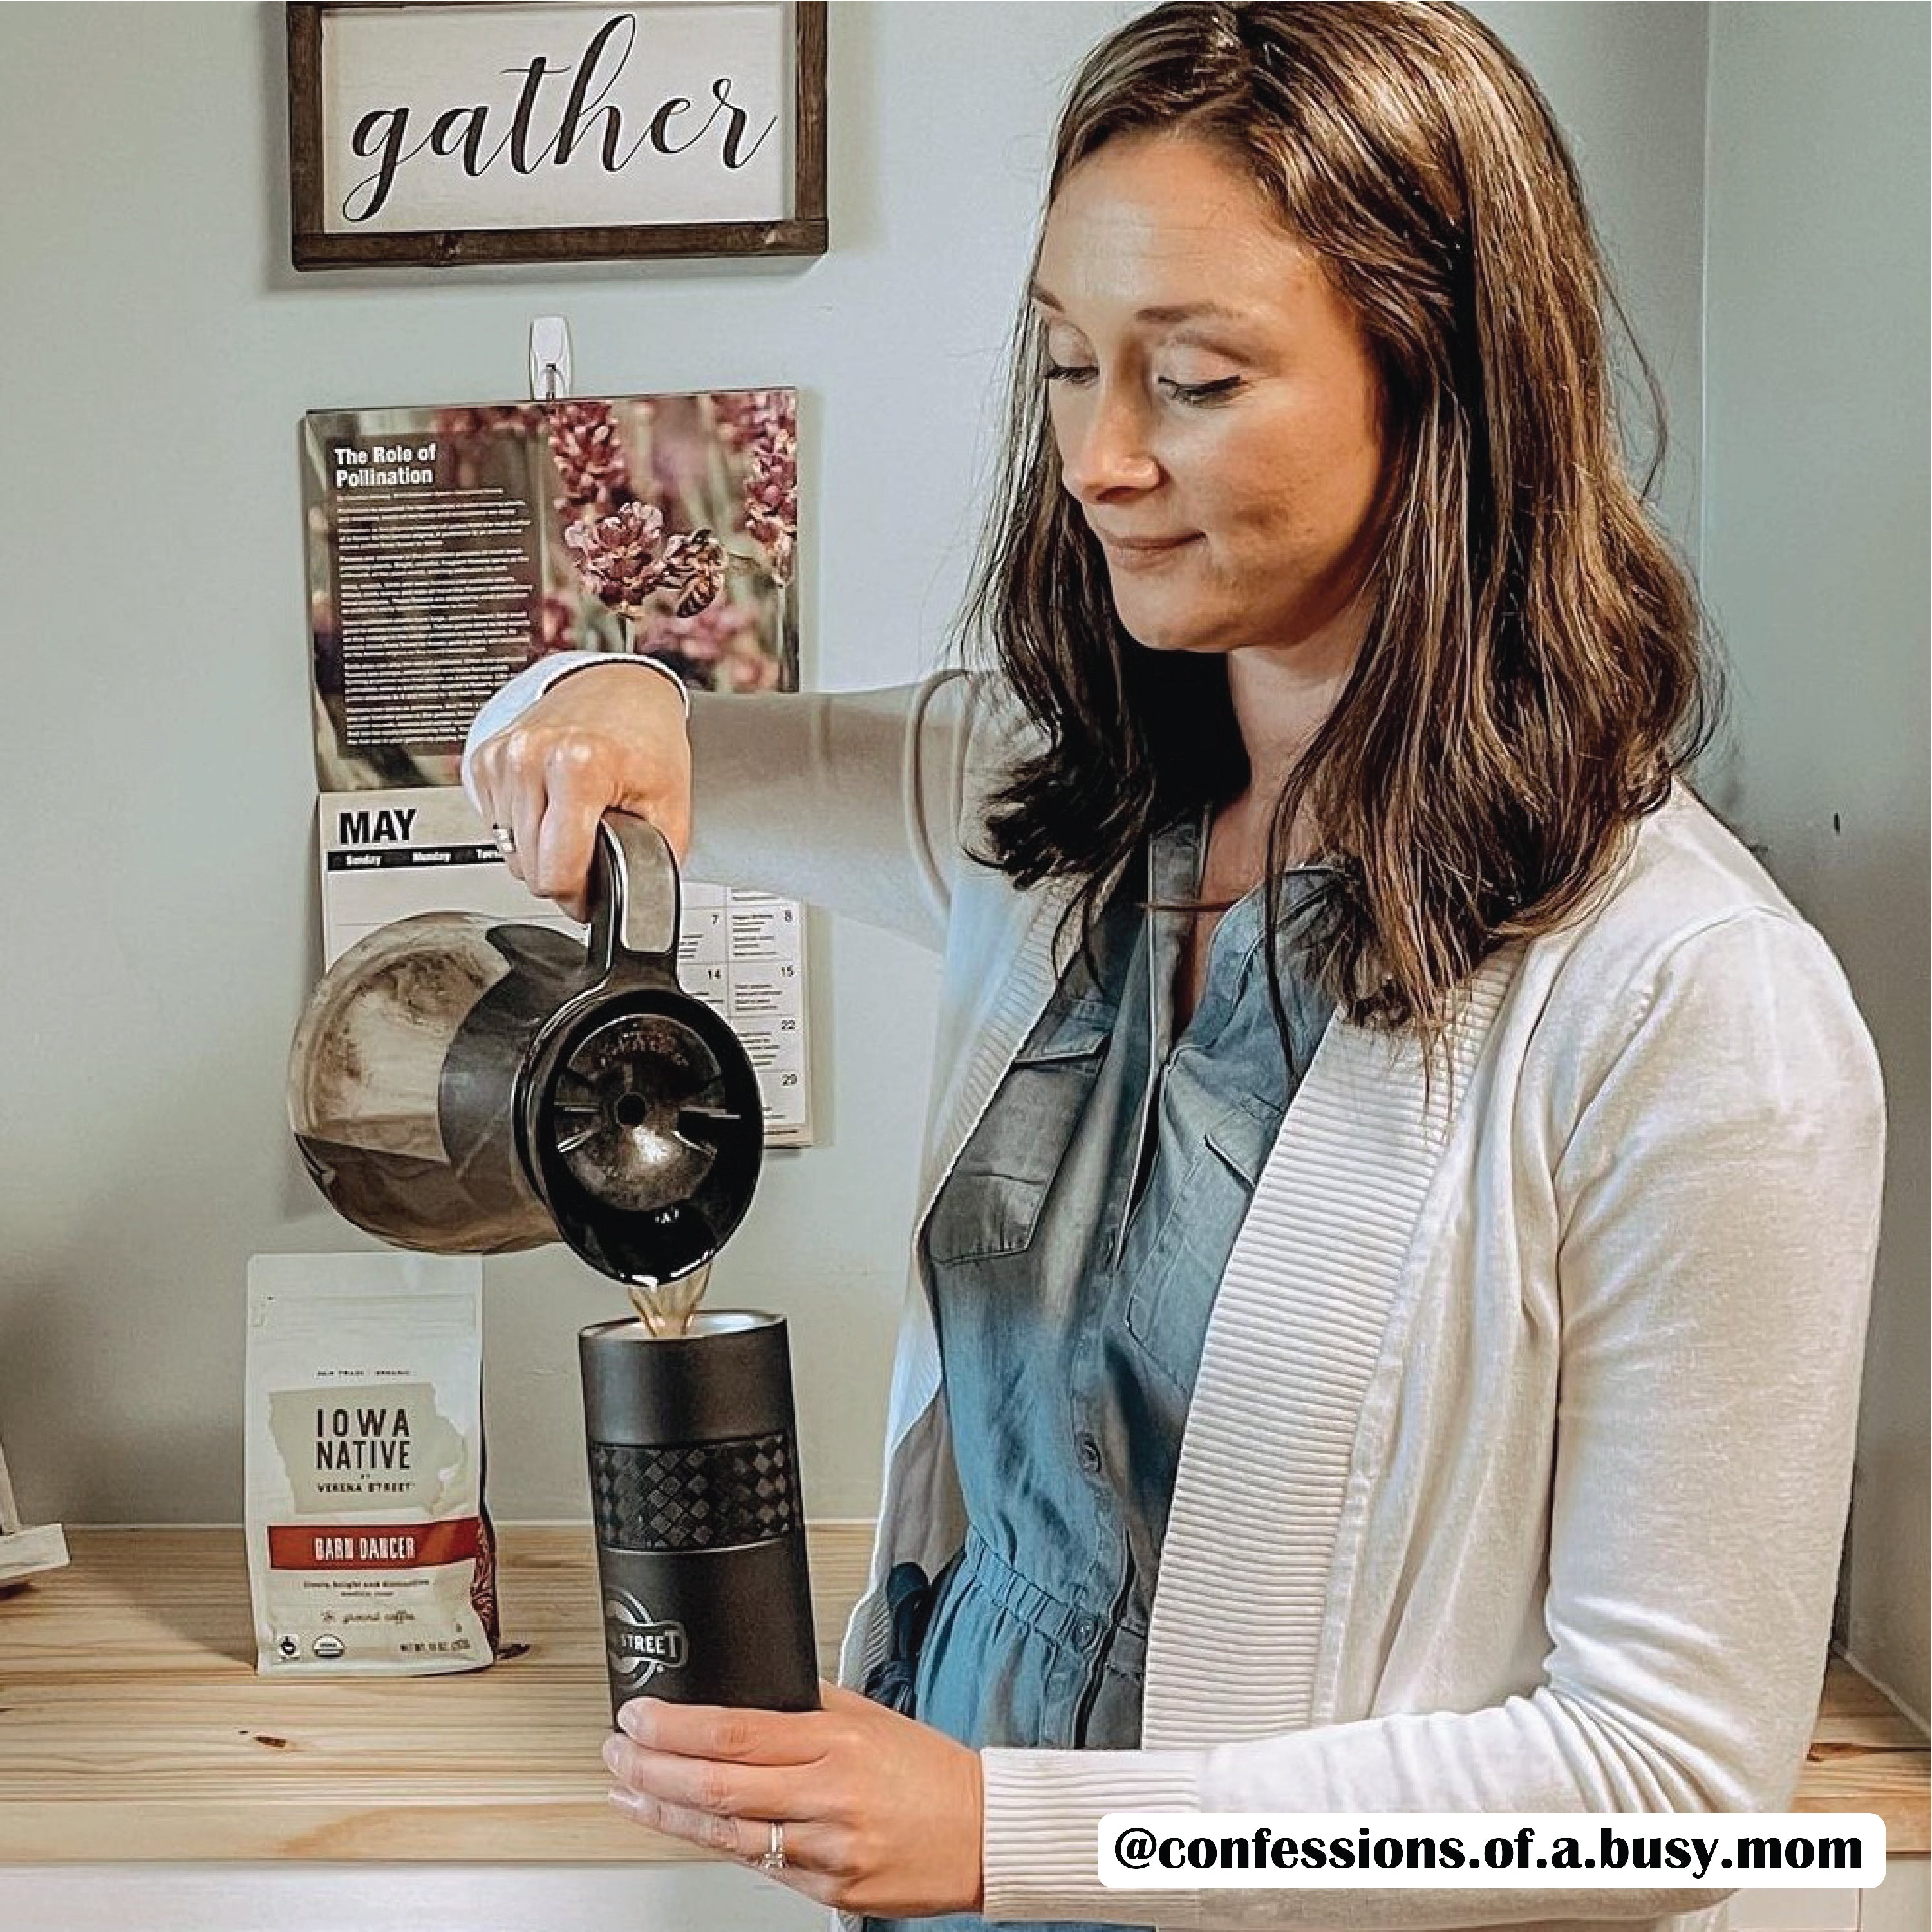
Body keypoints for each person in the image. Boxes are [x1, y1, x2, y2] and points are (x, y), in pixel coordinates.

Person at [463, 5, 1886, 1928]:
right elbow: (622, 736)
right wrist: (590, 691)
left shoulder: (1688, 1000)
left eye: (1195, 380)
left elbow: (1668, 1790)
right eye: (1065, 363)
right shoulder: (1039, 809)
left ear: (1441, 377)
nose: (1100, 460)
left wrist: (1014, 1828)